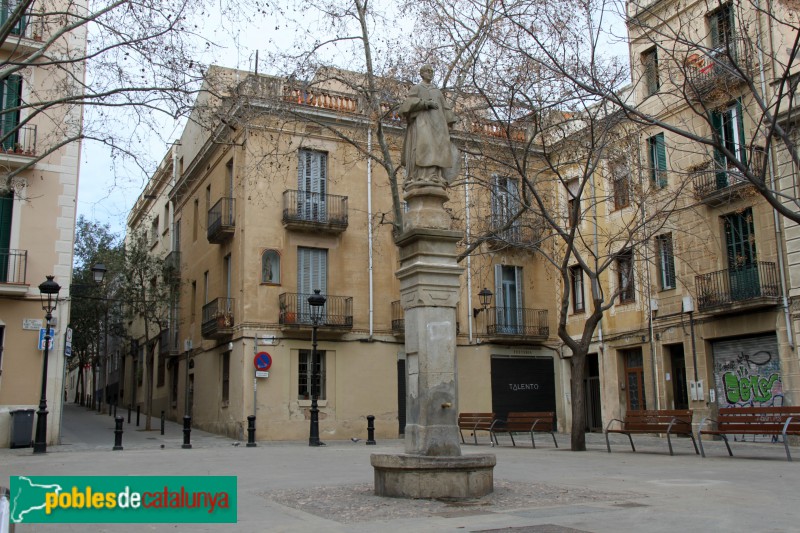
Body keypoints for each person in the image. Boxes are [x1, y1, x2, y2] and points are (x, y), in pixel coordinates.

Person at [399, 64, 459, 189]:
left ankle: (435, 175)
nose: (430, 73)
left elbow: (445, 107)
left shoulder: (437, 91)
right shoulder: (417, 88)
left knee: (437, 149)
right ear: (421, 74)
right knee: (424, 146)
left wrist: (451, 120)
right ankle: (421, 176)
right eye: (427, 71)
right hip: (422, 123)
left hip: (438, 126)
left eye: (432, 71)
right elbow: (408, 104)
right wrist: (425, 104)